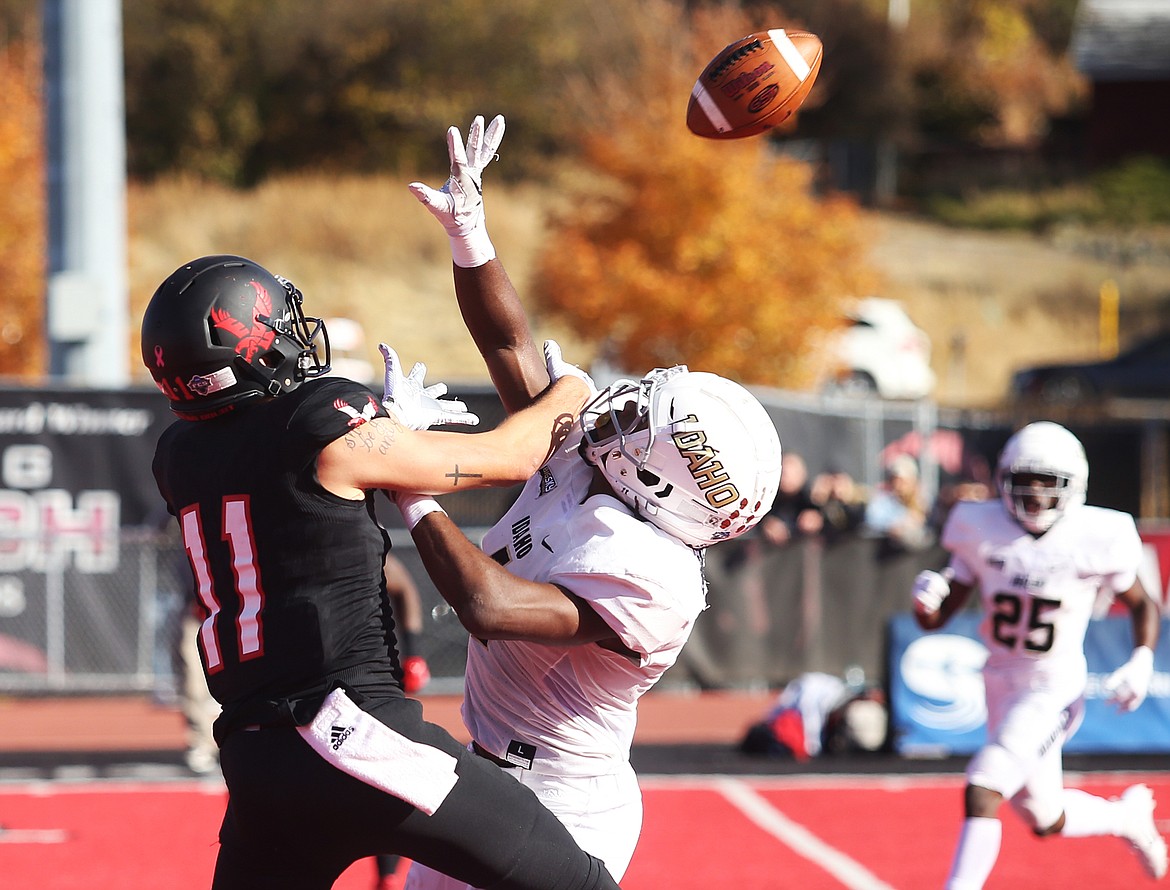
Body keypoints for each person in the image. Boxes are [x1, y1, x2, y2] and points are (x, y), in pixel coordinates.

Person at [141, 252, 624, 890]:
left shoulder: (177, 455)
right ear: (251, 342)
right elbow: (510, 456)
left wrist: (385, 436)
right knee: (578, 885)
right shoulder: (317, 419)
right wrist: (575, 389)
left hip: (255, 756)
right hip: (350, 735)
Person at [394, 114, 783, 887]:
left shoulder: (653, 577)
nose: (622, 407)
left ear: (662, 482)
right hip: (484, 775)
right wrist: (471, 233)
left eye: (643, 420)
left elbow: (489, 605)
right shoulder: (598, 462)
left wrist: (410, 483)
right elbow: (507, 345)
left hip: (563, 806)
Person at [911, 421, 1167, 888]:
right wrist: (925, 601)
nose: (1034, 494)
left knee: (983, 788)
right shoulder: (977, 525)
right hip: (1001, 684)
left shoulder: (1097, 533)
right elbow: (935, 619)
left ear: (1073, 486)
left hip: (1054, 688)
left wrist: (1142, 659)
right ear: (1004, 481)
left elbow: (1142, 602)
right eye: (1024, 481)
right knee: (1045, 817)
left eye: (1047, 483)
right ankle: (1126, 820)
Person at [374, 553, 431, 890]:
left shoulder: (361, 547)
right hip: (312, 686)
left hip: (375, 680)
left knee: (385, 776)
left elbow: (406, 587)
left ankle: (388, 875)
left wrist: (414, 651)